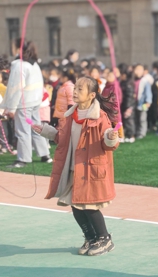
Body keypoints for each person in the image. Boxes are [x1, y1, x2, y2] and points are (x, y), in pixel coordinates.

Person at [33, 76, 119, 256]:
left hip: (91, 169)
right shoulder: (70, 115)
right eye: (76, 88)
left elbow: (108, 145)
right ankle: (91, 237)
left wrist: (110, 137)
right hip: (74, 168)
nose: (75, 91)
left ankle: (104, 238)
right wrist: (46, 131)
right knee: (75, 204)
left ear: (92, 95)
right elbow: (62, 138)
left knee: (89, 206)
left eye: (80, 89)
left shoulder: (100, 117)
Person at [0, 40, 53, 168]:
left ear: (19, 49)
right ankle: (45, 155)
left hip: (23, 103)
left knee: (23, 131)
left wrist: (11, 108)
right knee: (36, 128)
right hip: (35, 101)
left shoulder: (19, 65)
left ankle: (23, 159)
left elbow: (16, 88)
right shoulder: (34, 63)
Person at [102, 69, 123, 140]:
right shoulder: (106, 86)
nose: (109, 77)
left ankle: (120, 137)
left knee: (116, 123)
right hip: (106, 109)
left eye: (111, 76)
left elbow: (117, 100)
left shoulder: (114, 87)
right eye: (108, 75)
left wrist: (115, 109)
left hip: (113, 109)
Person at [133, 64, 152, 139]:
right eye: (136, 69)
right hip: (134, 103)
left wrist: (148, 101)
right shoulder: (133, 80)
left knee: (142, 119)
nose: (138, 71)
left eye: (140, 70)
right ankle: (136, 131)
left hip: (142, 103)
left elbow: (148, 92)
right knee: (136, 118)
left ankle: (142, 133)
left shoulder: (145, 81)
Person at [119, 69, 136, 142]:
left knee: (129, 120)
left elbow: (129, 97)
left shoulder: (128, 84)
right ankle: (127, 134)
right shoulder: (122, 83)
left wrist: (128, 107)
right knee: (125, 121)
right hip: (124, 105)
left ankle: (131, 135)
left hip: (128, 106)